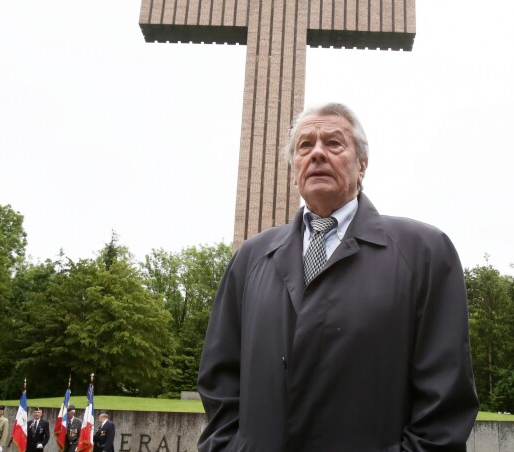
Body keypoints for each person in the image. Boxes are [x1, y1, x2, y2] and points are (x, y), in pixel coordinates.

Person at [198, 102, 479, 451]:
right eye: (305, 145)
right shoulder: (250, 257)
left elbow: (445, 406)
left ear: (362, 165)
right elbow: (219, 379)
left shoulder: (424, 252)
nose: (317, 153)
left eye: (333, 143)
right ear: (294, 168)